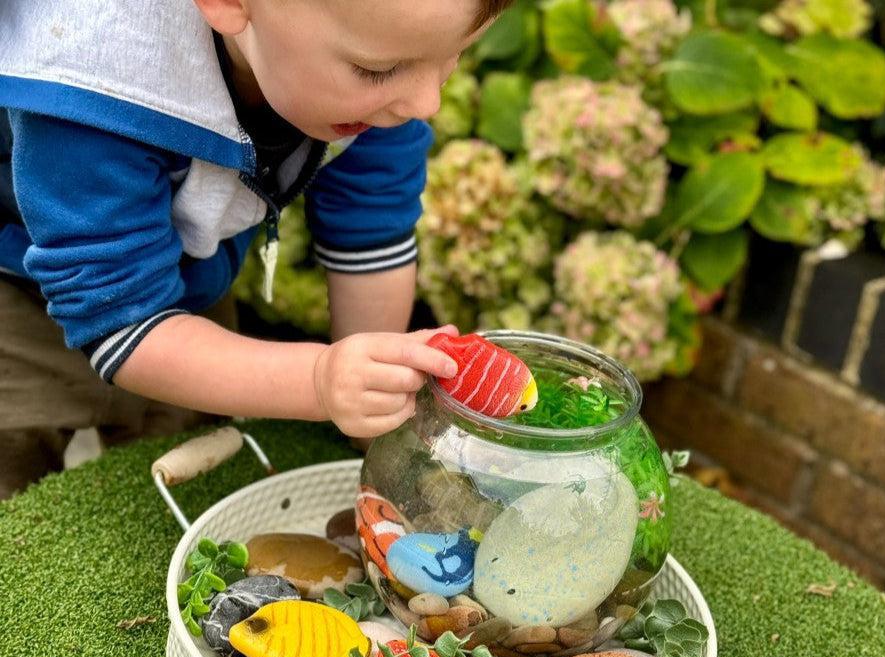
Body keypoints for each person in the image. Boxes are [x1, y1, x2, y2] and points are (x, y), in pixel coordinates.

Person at [0, 0, 512, 498]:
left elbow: (371, 227)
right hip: (17, 300)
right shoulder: (98, 70)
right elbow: (120, 317)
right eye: (375, 69)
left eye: (452, 56)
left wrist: (377, 395)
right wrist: (317, 381)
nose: (425, 103)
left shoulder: (379, 61)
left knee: (188, 468)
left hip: (184, 284)